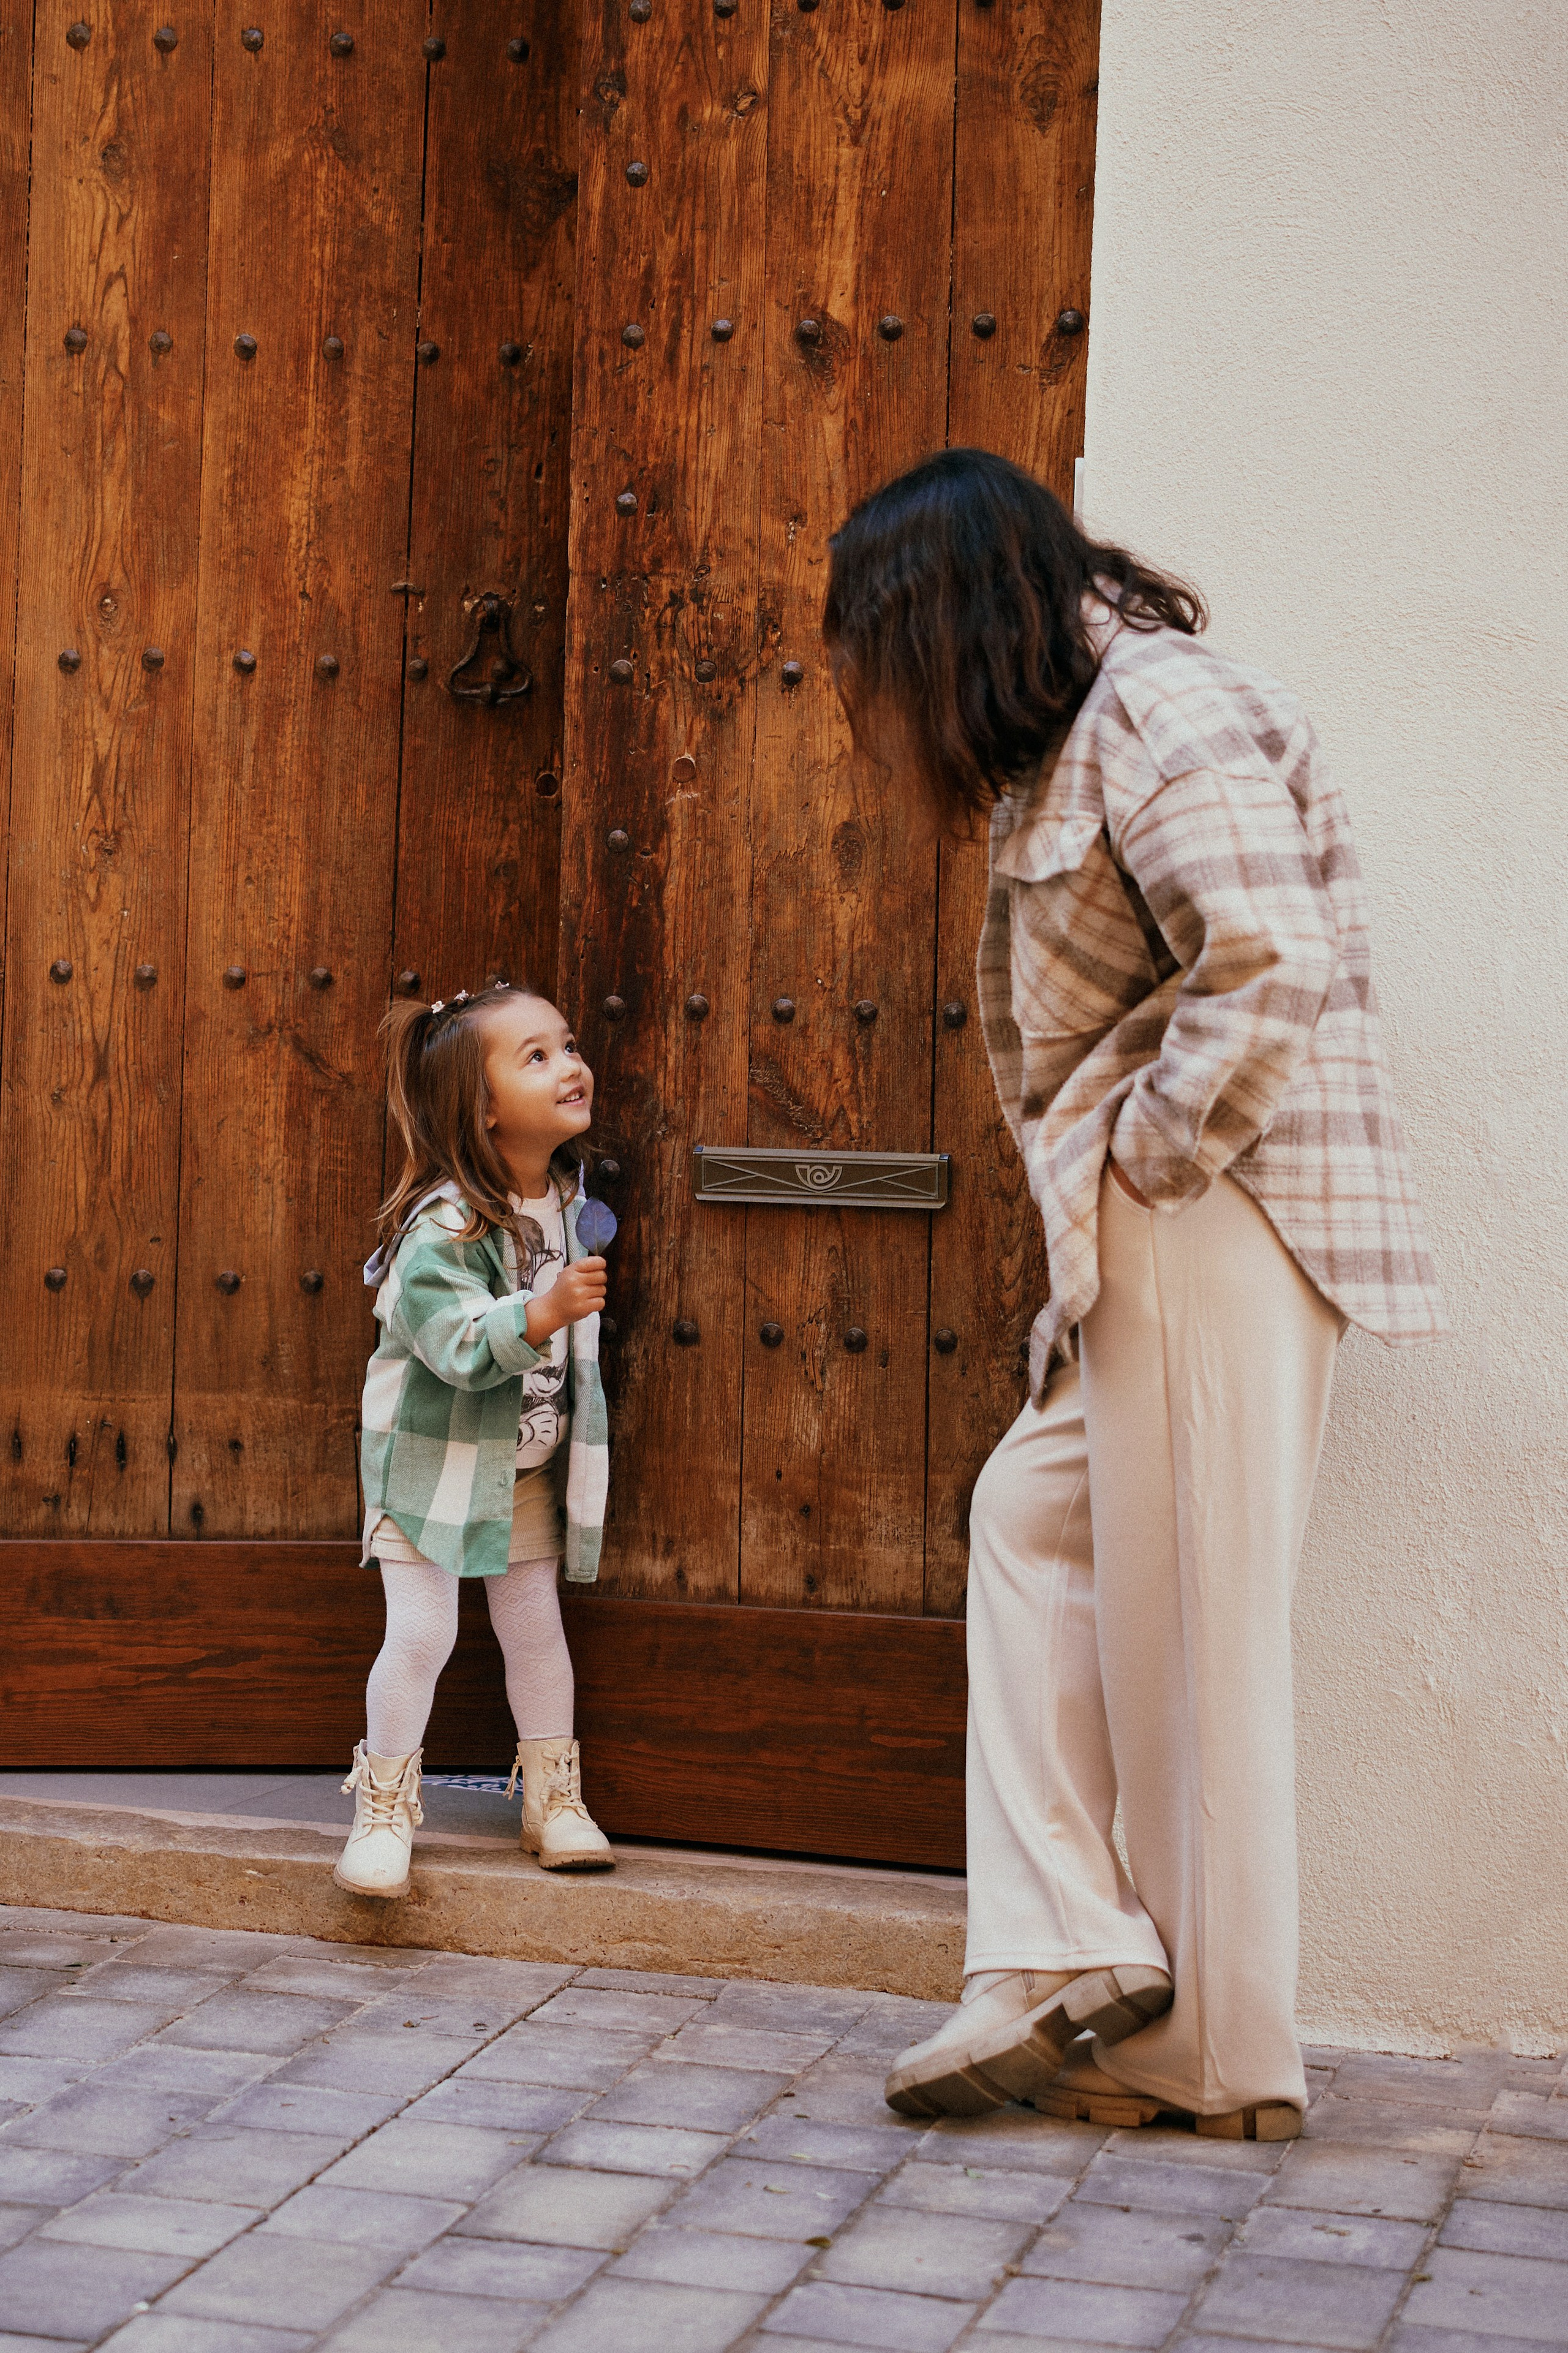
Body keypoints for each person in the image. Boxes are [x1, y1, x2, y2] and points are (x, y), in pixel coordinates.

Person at [823, 448, 1447, 2139]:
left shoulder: (1159, 711)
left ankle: (1217, 2054)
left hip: (1211, 1211)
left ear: (955, 610)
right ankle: (1068, 1954)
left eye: (888, 653)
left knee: (1192, 1643)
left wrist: (1150, 1161)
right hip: (1169, 1221)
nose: (891, 704)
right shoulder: (1087, 731)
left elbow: (1266, 957)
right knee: (1033, 1526)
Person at [334, 983, 614, 1900]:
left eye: (567, 1044)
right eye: (535, 1055)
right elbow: (455, 1345)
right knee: (422, 1632)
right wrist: (539, 1311)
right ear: (485, 1107)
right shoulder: (444, 1225)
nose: (569, 1063)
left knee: (536, 1631)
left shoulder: (571, 1202)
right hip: (431, 1463)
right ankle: (382, 1807)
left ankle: (554, 1799)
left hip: (523, 1465)